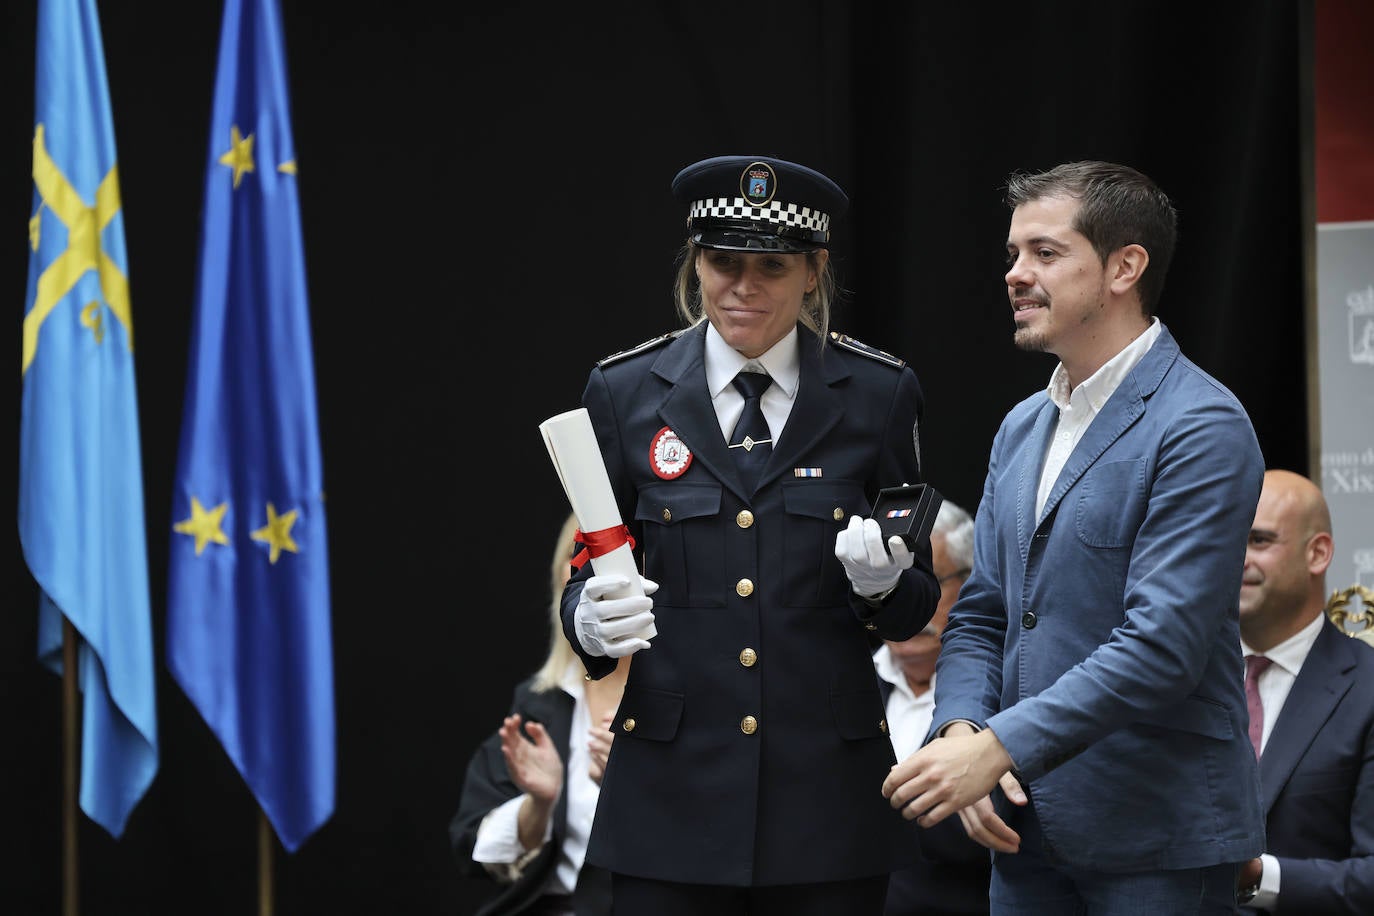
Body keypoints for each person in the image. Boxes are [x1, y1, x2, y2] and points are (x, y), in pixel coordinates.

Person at [881, 160, 1267, 914]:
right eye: (1013, 255)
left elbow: (1163, 646)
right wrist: (963, 730)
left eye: (1045, 253)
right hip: (1025, 837)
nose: (1015, 274)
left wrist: (999, 747)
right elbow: (983, 611)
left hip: (1157, 838)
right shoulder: (1023, 425)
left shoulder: (1201, 424)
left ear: (1125, 267)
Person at [561, 154, 941, 914]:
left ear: (813, 270)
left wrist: (886, 587)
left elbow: (916, 602)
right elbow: (589, 565)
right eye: (722, 261)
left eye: (771, 264)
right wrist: (589, 620)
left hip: (825, 795)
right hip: (671, 791)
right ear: (695, 262)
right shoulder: (625, 390)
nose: (743, 285)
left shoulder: (876, 393)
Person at [451, 512, 627, 916]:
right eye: (580, 554)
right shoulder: (540, 703)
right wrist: (539, 803)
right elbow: (473, 848)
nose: (596, 570)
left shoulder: (699, 699)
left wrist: (642, 784)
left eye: (614, 554)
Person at [1234, 469, 1374, 913]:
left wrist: (1257, 878)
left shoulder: (1367, 689)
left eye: (1258, 541)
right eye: (1228, 539)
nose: (1236, 558)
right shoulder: (1175, 681)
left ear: (1317, 554)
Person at [874, 499, 991, 916]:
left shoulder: (1003, 695)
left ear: (972, 582)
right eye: (892, 588)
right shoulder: (846, 686)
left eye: (930, 583)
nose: (911, 608)